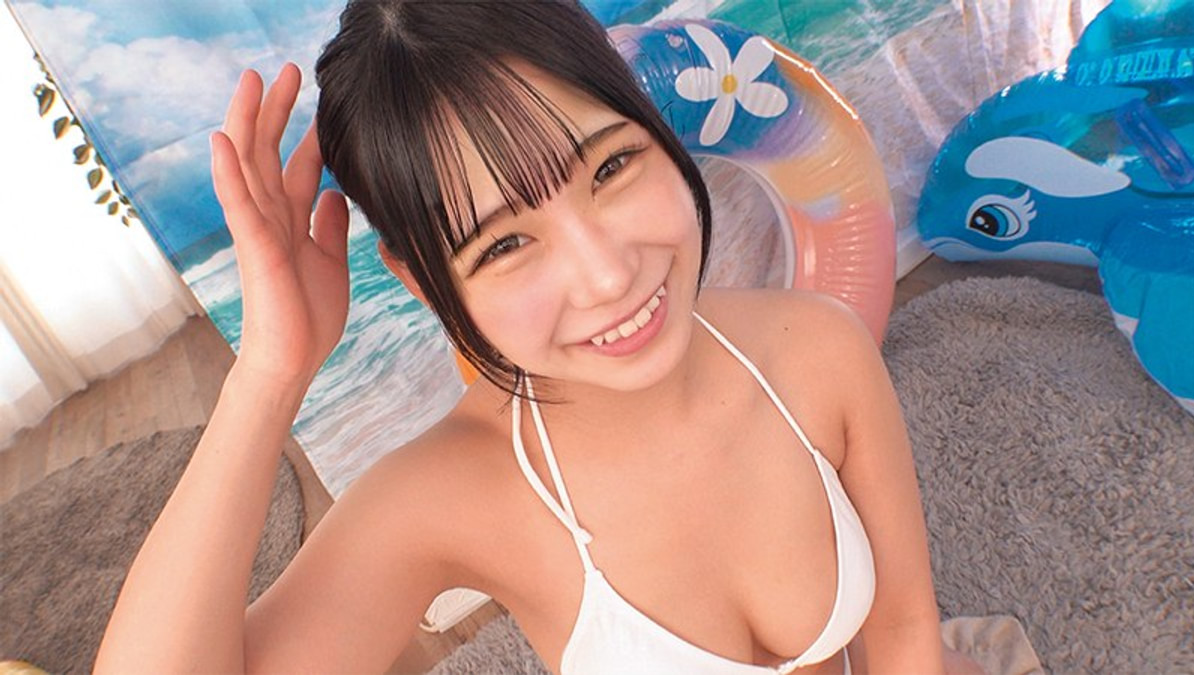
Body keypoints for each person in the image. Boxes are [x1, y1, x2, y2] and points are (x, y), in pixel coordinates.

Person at [95, 1, 979, 672]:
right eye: (505, 244)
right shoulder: (448, 495)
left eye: (612, 165)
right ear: (423, 281)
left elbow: (904, 629)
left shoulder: (820, 351)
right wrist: (268, 374)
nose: (607, 276)